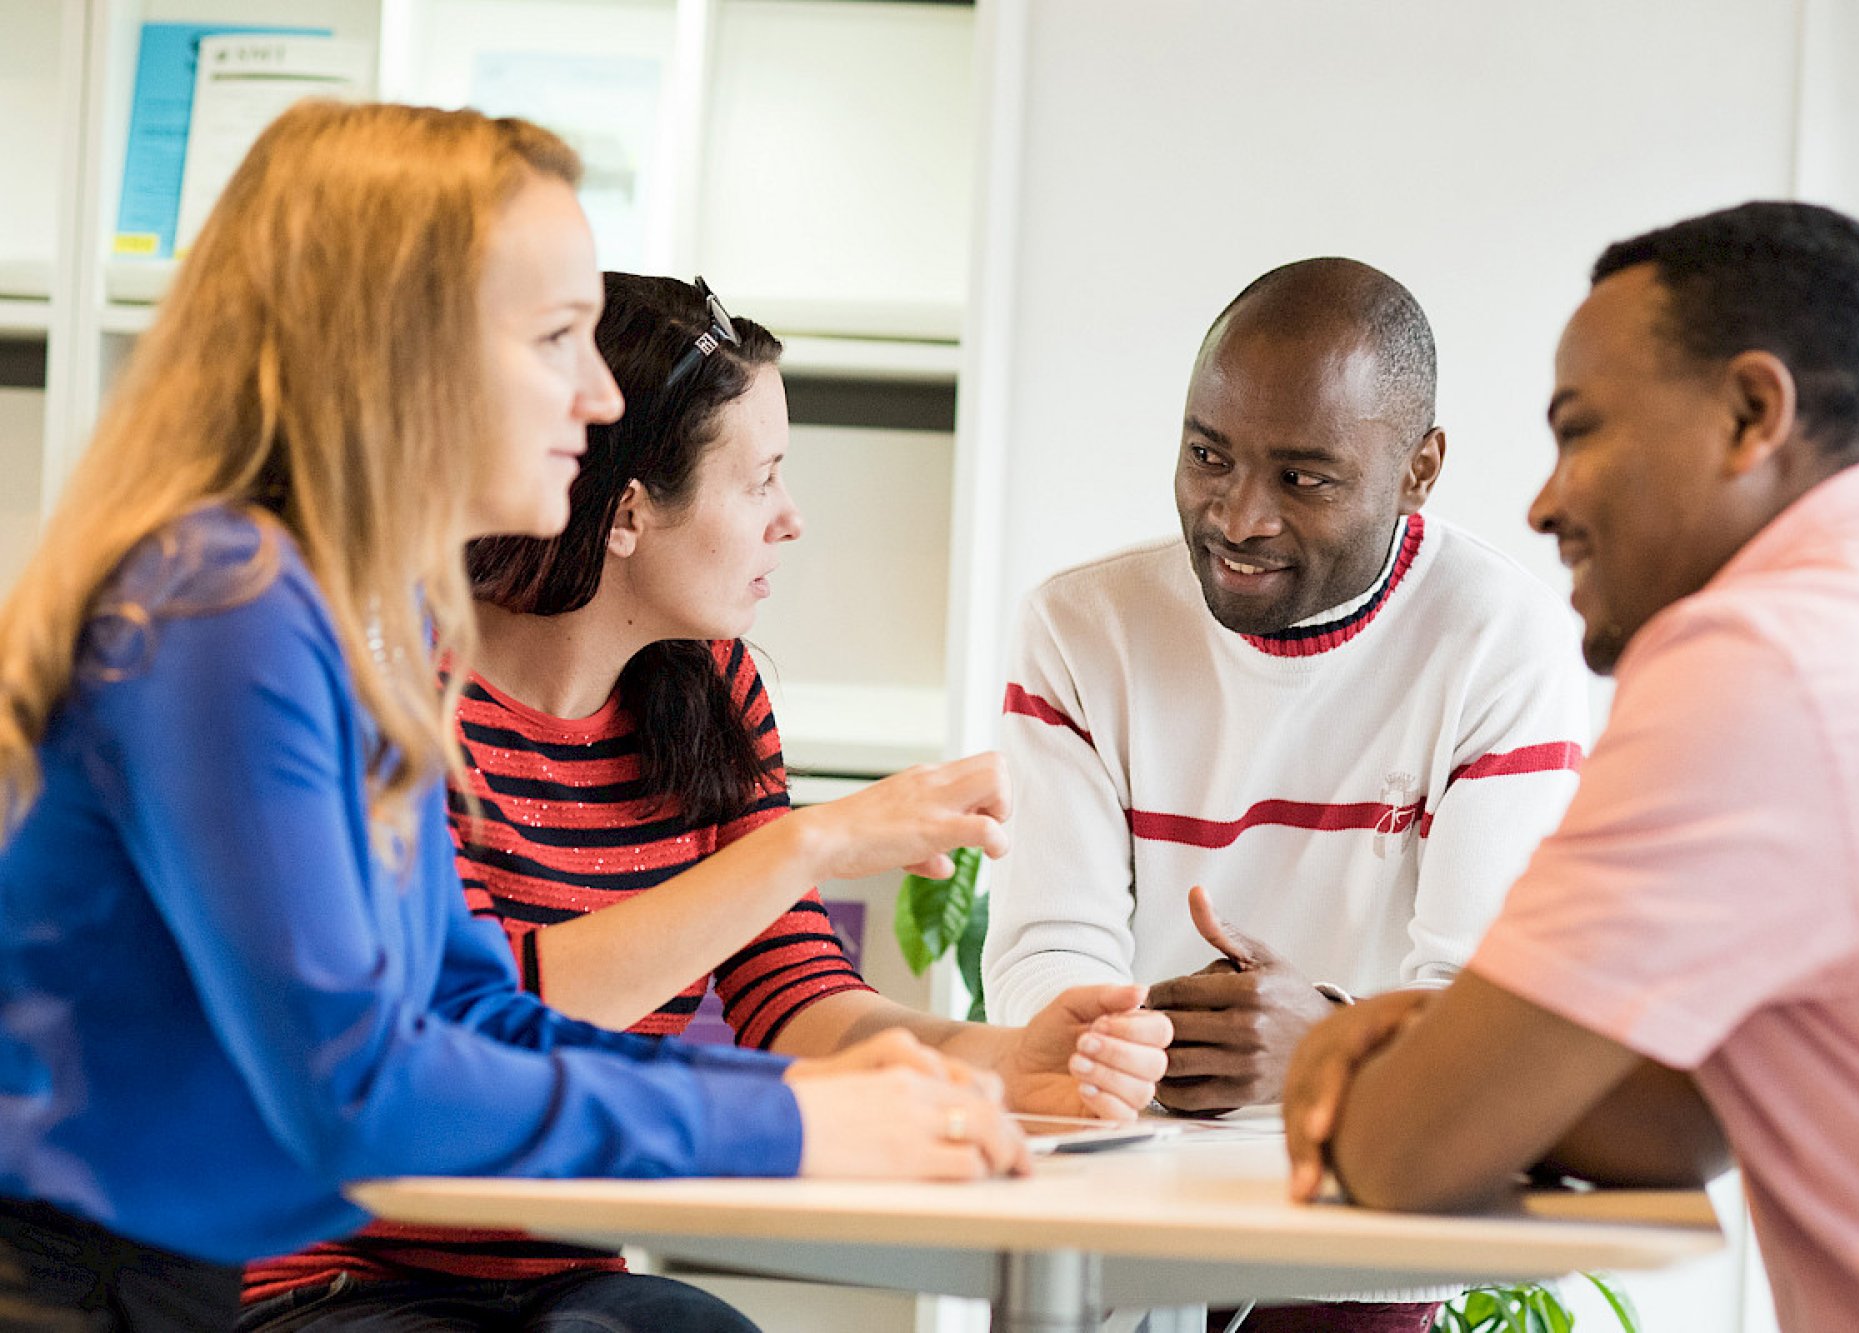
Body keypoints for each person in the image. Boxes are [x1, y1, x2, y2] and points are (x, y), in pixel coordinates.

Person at [0, 102, 1025, 1333]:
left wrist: (847, 1087)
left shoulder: (363, 615)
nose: (598, 400)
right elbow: (360, 1084)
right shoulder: (227, 604)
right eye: (556, 339)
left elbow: (471, 1011)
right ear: (399, 349)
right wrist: (791, 1117)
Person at [237, 273, 1171, 1328]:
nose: (792, 520)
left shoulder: (713, 695)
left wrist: (1006, 1064)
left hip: (564, 1279)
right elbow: (479, 1017)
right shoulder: (394, 687)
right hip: (337, 1274)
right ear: (629, 512)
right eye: (759, 480)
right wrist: (810, 842)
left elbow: (793, 999)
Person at [1282, 201, 1859, 1332]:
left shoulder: (1766, 659)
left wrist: (1363, 1046)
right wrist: (1434, 1037)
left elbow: (1402, 1153)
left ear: (1750, 412)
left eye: (1579, 430)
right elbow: (1694, 1119)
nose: (1543, 501)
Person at [981, 258, 1591, 1330]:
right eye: (1206, 454)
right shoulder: (1078, 630)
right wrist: (1137, 1039)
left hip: (1355, 1227)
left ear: (1419, 469)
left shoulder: (1501, 643)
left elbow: (1487, 1013)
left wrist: (1321, 1046)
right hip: (1107, 1207)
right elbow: (1039, 958)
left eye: (1302, 478)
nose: (1238, 516)